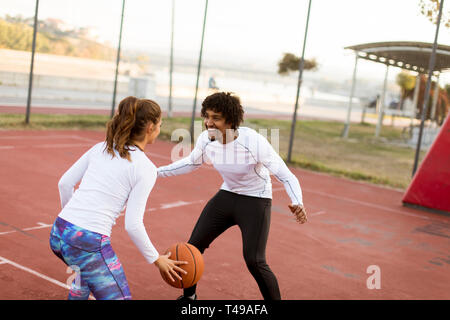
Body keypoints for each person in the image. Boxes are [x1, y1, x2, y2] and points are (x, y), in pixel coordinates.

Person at [157, 92, 307, 300]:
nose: (209, 122)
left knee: (255, 260)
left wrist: (297, 201)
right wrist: (155, 172)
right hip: (227, 195)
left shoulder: (253, 142)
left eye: (216, 118)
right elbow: (191, 163)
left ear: (231, 120)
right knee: (192, 248)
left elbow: (286, 176)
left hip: (256, 200)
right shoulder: (206, 139)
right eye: (206, 116)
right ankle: (189, 298)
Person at [49, 96, 187, 300]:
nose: (160, 127)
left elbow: (64, 183)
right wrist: (157, 259)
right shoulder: (145, 168)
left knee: (84, 279)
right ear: (150, 127)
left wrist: (72, 224)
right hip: (88, 243)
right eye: (159, 123)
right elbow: (133, 224)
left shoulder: (101, 147)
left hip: (58, 233)